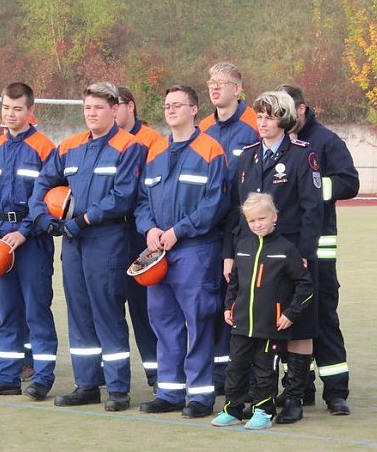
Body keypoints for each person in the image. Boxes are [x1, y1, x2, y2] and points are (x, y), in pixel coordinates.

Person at [29, 82, 141, 412]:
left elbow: (122, 196)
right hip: (73, 243)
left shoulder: (128, 146)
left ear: (114, 109)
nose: (92, 114)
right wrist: (40, 217)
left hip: (107, 240)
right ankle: (87, 384)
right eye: (88, 108)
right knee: (78, 314)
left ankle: (118, 388)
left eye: (99, 108)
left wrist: (85, 219)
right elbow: (44, 181)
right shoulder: (69, 147)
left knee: (107, 312)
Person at [224, 90, 323, 424]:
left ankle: (294, 395)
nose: (262, 122)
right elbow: (236, 213)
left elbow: (312, 210)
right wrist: (230, 254)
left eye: (269, 116)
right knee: (258, 322)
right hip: (253, 254)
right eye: (259, 116)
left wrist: (306, 255)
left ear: (284, 118)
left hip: (291, 251)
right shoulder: (247, 156)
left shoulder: (301, 155)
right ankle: (258, 395)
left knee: (298, 324)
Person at [134, 85, 229, 419]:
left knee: (198, 322)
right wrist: (150, 229)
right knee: (164, 322)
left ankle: (201, 396)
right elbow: (143, 201)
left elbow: (215, 204)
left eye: (178, 105)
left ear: (194, 109)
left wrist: (179, 230)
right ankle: (169, 392)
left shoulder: (211, 150)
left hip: (195, 250)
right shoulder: (156, 151)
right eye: (166, 105)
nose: (170, 110)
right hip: (159, 253)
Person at [276, 84, 359, 415]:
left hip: (318, 250)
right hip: (283, 248)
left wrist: (308, 185)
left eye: (285, 109)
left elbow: (349, 182)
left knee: (323, 318)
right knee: (285, 320)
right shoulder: (275, 146)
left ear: (302, 109)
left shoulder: (326, 142)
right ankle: (299, 388)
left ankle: (336, 392)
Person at [0, 82, 58, 400]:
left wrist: (24, 231)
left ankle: (43, 377)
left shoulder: (45, 149)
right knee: (5, 310)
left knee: (37, 311)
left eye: (17, 109)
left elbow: (48, 199)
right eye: (6, 108)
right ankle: (8, 375)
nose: (10, 114)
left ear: (30, 111)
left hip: (31, 243)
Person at [214, 192, 314, 429]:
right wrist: (229, 307)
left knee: (265, 371)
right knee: (235, 368)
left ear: (274, 217)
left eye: (262, 218)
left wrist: (290, 313)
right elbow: (235, 282)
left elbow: (305, 285)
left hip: (270, 327)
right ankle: (233, 410)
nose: (257, 224)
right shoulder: (243, 247)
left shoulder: (286, 250)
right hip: (241, 324)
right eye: (252, 221)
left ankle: (263, 412)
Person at [199, 62, 260, 393]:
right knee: (214, 305)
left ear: (238, 89)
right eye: (211, 82)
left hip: (243, 230)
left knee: (244, 305)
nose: (215, 87)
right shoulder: (204, 128)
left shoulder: (253, 126)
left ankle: (251, 380)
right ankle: (219, 376)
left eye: (223, 82)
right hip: (209, 231)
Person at [116, 85, 162, 389]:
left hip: (138, 230)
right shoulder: (99, 141)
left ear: (130, 106)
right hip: (106, 234)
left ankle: (158, 373)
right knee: (109, 305)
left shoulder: (153, 141)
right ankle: (106, 375)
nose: (109, 111)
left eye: (115, 104)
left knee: (145, 307)